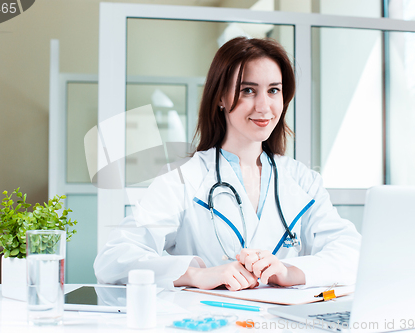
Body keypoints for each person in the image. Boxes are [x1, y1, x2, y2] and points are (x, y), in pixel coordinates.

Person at [94, 37, 361, 291]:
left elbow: (353, 253)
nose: (264, 106)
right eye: (248, 90)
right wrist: (197, 275)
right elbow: (113, 259)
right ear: (221, 97)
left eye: (273, 91)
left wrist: (290, 271)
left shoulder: (302, 179)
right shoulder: (184, 179)